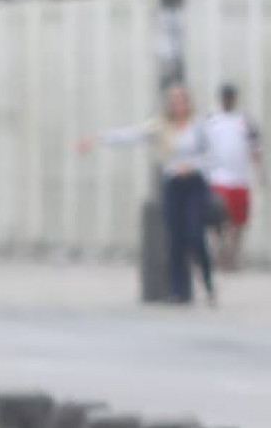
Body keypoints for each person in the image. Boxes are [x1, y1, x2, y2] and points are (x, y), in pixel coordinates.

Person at [78, 83, 217, 305]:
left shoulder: (198, 127)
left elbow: (212, 156)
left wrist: (193, 166)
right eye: (173, 100)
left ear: (188, 102)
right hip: (173, 184)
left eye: (181, 99)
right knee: (175, 237)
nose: (177, 104)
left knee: (194, 234)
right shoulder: (161, 126)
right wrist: (97, 139)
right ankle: (178, 291)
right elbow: (131, 135)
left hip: (194, 183)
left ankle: (208, 283)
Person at [202, 83, 264, 272]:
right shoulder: (211, 119)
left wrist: (260, 171)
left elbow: (256, 148)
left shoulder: (244, 120)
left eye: (230, 96)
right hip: (218, 178)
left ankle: (232, 256)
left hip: (240, 179)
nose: (228, 100)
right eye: (225, 96)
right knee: (217, 220)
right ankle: (218, 254)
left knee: (238, 222)